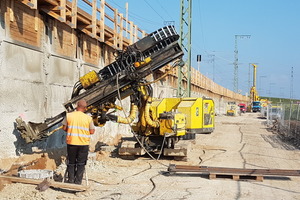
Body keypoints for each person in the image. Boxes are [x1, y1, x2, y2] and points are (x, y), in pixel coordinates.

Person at [62, 99, 95, 184]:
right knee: (81, 163)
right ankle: (78, 182)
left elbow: (64, 128)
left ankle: (70, 181)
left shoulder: (69, 115)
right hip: (83, 144)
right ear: (85, 108)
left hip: (72, 143)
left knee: (71, 162)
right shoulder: (88, 118)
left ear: (77, 106)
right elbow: (92, 131)